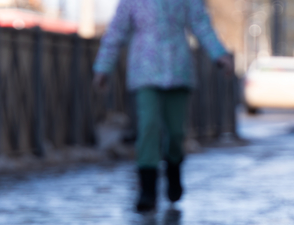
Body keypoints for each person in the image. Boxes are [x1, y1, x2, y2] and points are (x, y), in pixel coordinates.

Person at [93, 0, 233, 213]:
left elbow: (200, 24)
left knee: (177, 132)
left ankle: (174, 169)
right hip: (144, 69)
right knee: (149, 126)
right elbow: (117, 30)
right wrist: (103, 67)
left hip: (178, 69)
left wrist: (219, 55)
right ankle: (147, 190)